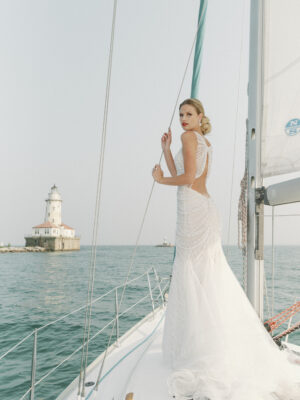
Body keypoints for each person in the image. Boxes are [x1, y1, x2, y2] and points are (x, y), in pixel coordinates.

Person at [152, 98, 300, 400]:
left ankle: (197, 346)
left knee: (192, 272)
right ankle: (210, 340)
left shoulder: (189, 137)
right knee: (205, 274)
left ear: (199, 116)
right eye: (181, 114)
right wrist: (167, 151)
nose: (183, 118)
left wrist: (159, 179)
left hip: (193, 210)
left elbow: (187, 179)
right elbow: (187, 171)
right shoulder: (204, 140)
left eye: (188, 114)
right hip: (202, 208)